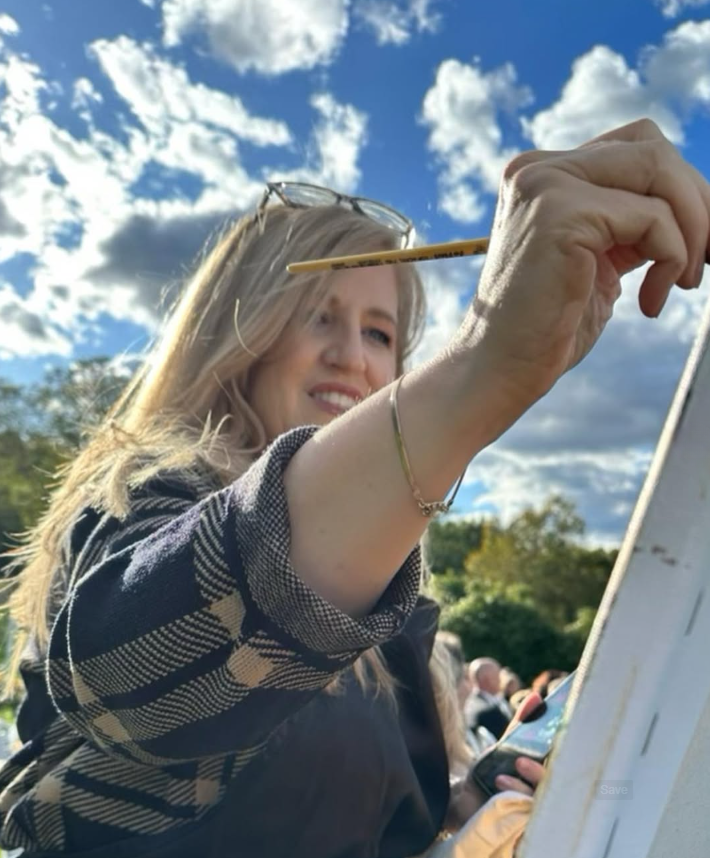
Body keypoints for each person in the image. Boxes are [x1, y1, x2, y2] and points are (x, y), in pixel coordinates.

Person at [0, 116, 706, 856]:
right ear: (238, 331)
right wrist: (484, 367)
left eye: (380, 333)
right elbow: (129, 682)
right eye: (318, 316)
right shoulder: (145, 499)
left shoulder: (398, 616)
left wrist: (469, 803)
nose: (351, 357)